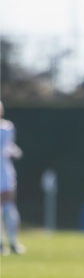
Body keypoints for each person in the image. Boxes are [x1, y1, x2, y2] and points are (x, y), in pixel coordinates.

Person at [0, 100, 24, 256]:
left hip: (4, 171)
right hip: (4, 170)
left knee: (8, 207)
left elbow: (8, 148)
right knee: (8, 207)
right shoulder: (8, 127)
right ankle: (8, 243)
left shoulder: (7, 127)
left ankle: (12, 242)